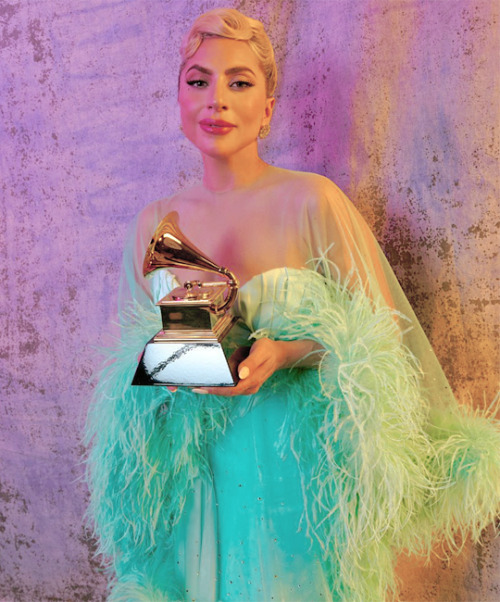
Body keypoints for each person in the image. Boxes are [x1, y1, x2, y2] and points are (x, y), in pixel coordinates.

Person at [85, 8, 500, 601]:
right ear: (178, 99)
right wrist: (175, 367)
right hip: (198, 495)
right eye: (198, 81)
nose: (217, 100)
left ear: (270, 107)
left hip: (297, 493)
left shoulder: (312, 201)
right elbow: (130, 385)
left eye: (240, 82)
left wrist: (285, 353)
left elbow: (383, 346)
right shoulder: (153, 224)